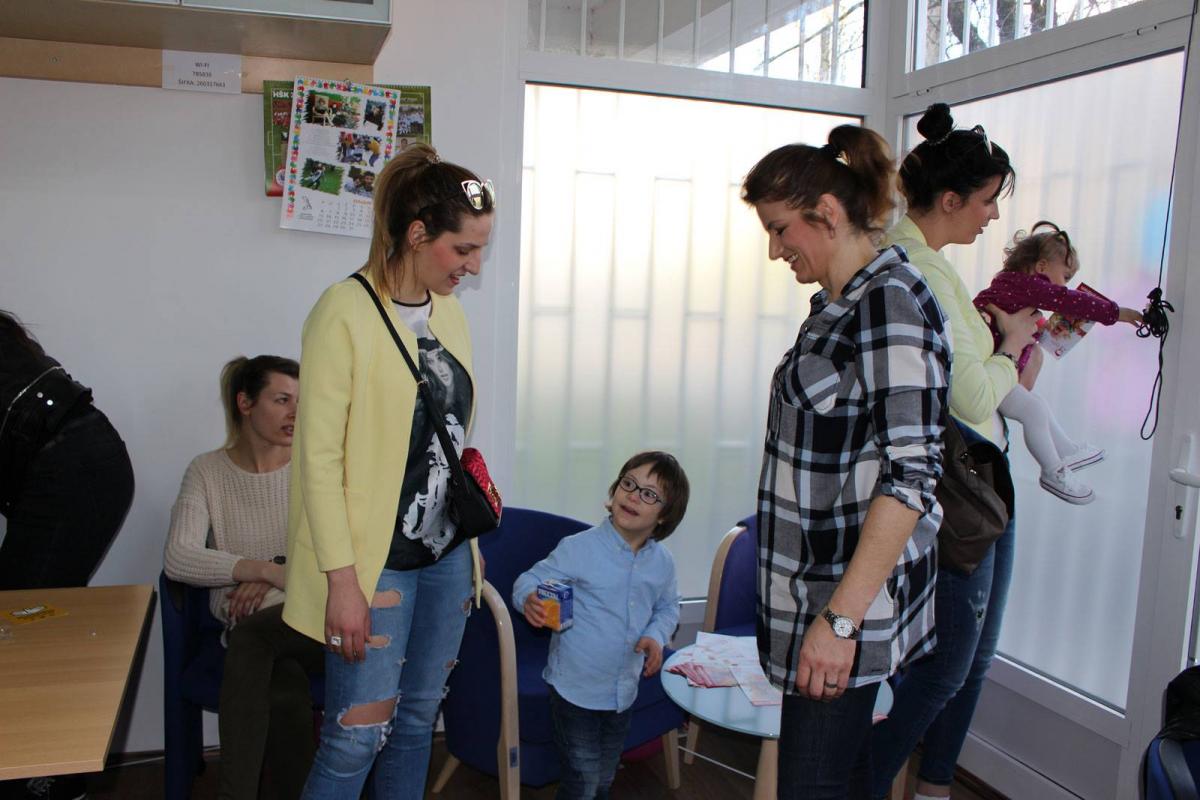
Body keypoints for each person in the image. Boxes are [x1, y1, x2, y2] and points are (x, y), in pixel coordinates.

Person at [742, 125, 951, 799]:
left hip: (840, 606)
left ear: (827, 213)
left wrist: (839, 622)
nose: (775, 250)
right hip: (819, 597)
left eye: (780, 230)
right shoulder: (836, 305)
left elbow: (911, 478)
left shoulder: (888, 303)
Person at [282, 142, 495, 799]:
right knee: (354, 737)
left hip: (446, 558)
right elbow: (318, 460)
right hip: (376, 567)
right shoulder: (342, 312)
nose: (473, 265)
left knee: (415, 724)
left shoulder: (449, 312)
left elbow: (448, 436)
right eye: (463, 250)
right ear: (417, 234)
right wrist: (342, 582)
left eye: (480, 249)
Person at [869, 104, 1035, 800]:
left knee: (966, 659)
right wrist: (1012, 346)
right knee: (950, 664)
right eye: (988, 200)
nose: (993, 216)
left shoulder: (920, 261)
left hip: (975, 481)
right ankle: (871, 783)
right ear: (949, 199)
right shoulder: (925, 272)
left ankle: (930, 785)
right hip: (959, 489)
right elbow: (970, 395)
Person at [163, 355, 323, 800]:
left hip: (315, 623)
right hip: (255, 630)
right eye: (282, 400)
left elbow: (337, 551)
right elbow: (178, 557)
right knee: (284, 691)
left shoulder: (315, 466)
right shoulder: (206, 471)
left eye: (301, 402)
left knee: (253, 641)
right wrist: (264, 569)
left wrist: (277, 574)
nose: (296, 413)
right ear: (245, 403)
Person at [0, 310, 135, 800]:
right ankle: (52, 772)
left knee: (22, 628)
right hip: (86, 460)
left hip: (72, 469)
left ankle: (46, 775)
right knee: (32, 624)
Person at [512, 451, 688, 800]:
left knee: (604, 777)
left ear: (664, 515)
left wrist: (655, 636)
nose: (633, 496)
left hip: (623, 691)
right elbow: (529, 579)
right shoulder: (580, 548)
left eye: (649, 494)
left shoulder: (663, 563)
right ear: (615, 488)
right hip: (574, 689)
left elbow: (668, 607)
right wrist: (529, 598)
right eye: (629, 484)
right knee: (582, 780)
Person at [973, 220, 1145, 504]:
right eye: (1065, 276)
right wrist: (1117, 313)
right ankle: (1053, 470)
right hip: (990, 371)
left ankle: (1066, 451)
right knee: (1034, 410)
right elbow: (1068, 299)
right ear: (1041, 267)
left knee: (1036, 406)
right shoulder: (1023, 285)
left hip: (991, 369)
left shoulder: (1010, 288)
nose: (1065, 285)